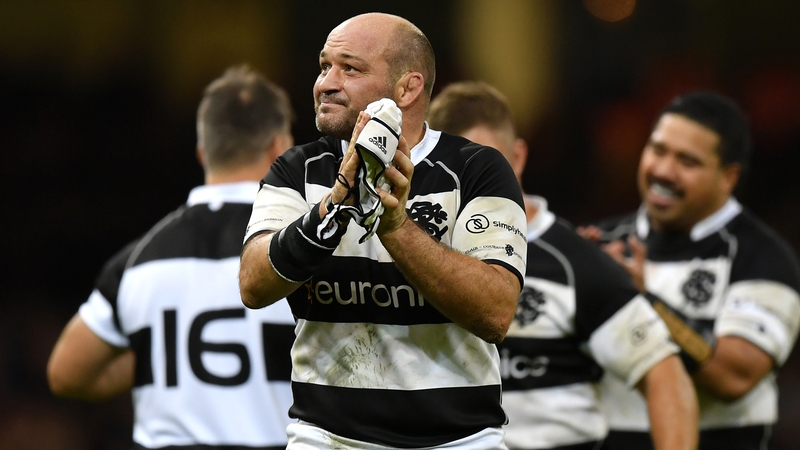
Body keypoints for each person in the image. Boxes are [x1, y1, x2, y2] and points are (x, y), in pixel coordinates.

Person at [238, 13, 528, 450]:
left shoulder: (476, 169)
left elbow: (495, 312)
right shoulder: (297, 170)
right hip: (326, 438)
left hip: (458, 441)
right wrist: (338, 203)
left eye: (350, 69)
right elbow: (253, 285)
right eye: (324, 66)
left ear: (407, 89)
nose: (325, 84)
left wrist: (393, 225)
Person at [427, 81, 698, 450]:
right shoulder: (418, 256)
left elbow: (666, 377)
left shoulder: (575, 264)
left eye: (487, 164)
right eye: (454, 169)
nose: (471, 183)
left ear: (518, 158)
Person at [47, 65, 297, 450]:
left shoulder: (138, 259)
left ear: (202, 152)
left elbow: (66, 372)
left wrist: (163, 359)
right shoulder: (307, 249)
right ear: (278, 148)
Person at [578, 90, 800, 450]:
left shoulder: (764, 258)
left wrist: (639, 301)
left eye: (688, 161)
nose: (663, 171)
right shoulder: (598, 246)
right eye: (658, 150)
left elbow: (734, 377)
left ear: (728, 177)